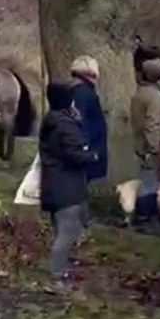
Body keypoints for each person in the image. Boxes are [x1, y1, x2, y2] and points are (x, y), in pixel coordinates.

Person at [38, 80, 99, 293]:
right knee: (66, 233)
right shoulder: (66, 126)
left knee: (63, 231)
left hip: (54, 185)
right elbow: (76, 154)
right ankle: (55, 279)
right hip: (66, 187)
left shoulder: (52, 121)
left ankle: (62, 272)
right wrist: (92, 155)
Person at [129, 58, 160, 231]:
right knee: (149, 181)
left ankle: (144, 215)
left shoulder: (139, 93)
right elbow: (152, 124)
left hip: (139, 142)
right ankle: (145, 218)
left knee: (146, 179)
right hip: (149, 145)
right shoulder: (155, 98)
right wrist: (154, 147)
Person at [68, 56, 109, 192]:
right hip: (88, 147)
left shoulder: (72, 89)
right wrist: (86, 149)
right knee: (79, 187)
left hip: (83, 147)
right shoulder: (84, 93)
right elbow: (80, 120)